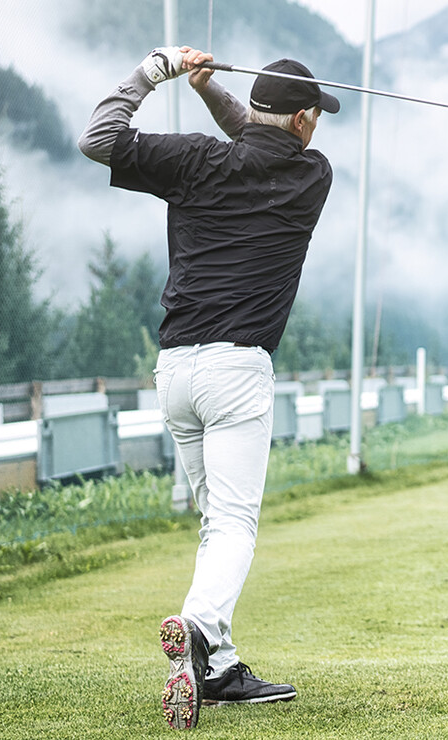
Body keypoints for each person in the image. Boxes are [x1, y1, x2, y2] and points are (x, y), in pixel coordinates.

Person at [78, 46, 339, 730]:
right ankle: (196, 630)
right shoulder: (313, 173)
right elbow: (261, 143)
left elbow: (98, 138)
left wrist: (156, 73)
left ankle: (217, 668)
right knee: (233, 523)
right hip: (236, 372)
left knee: (213, 523)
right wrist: (202, 89)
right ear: (307, 121)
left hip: (176, 370)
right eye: (315, 117)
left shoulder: (197, 160)